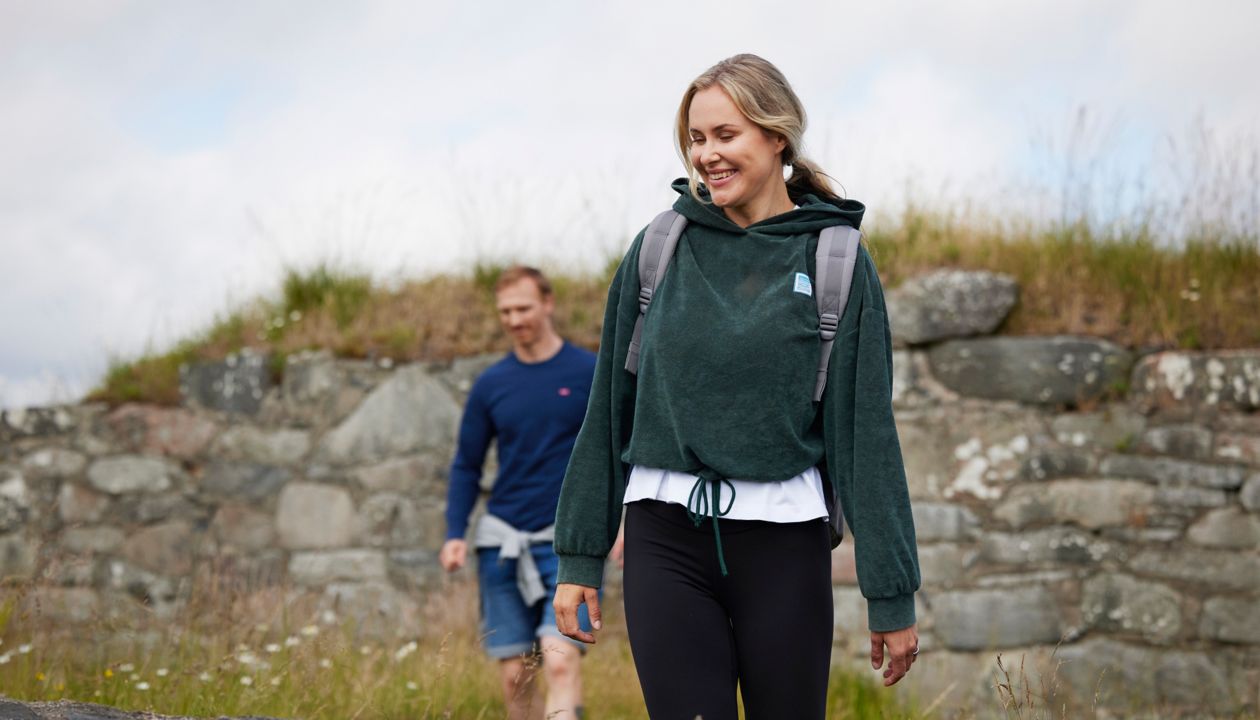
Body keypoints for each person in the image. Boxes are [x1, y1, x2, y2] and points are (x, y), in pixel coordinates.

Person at [551, 54, 922, 719]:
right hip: (665, 538)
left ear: (776, 136)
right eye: (696, 139)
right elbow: (609, 412)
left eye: (726, 136)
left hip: (784, 548)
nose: (707, 155)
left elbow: (864, 439)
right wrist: (579, 556)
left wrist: (890, 594)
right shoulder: (658, 248)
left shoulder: (835, 261)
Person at [440, 265, 598, 720]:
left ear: (547, 303)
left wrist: (620, 522)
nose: (514, 319)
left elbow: (616, 453)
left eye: (523, 308)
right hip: (502, 543)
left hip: (567, 544)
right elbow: (467, 465)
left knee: (559, 660)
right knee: (515, 677)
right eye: (505, 311)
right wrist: (455, 532)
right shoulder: (491, 384)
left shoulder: (588, 371)